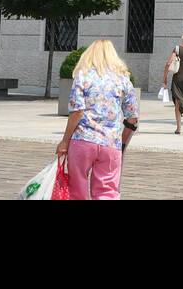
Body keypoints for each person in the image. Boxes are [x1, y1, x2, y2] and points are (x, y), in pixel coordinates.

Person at [56, 39, 139, 200]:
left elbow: (77, 112)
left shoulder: (83, 77)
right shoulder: (123, 80)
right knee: (108, 191)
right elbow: (133, 118)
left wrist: (65, 141)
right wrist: (120, 143)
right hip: (110, 144)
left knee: (77, 189)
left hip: (83, 140)